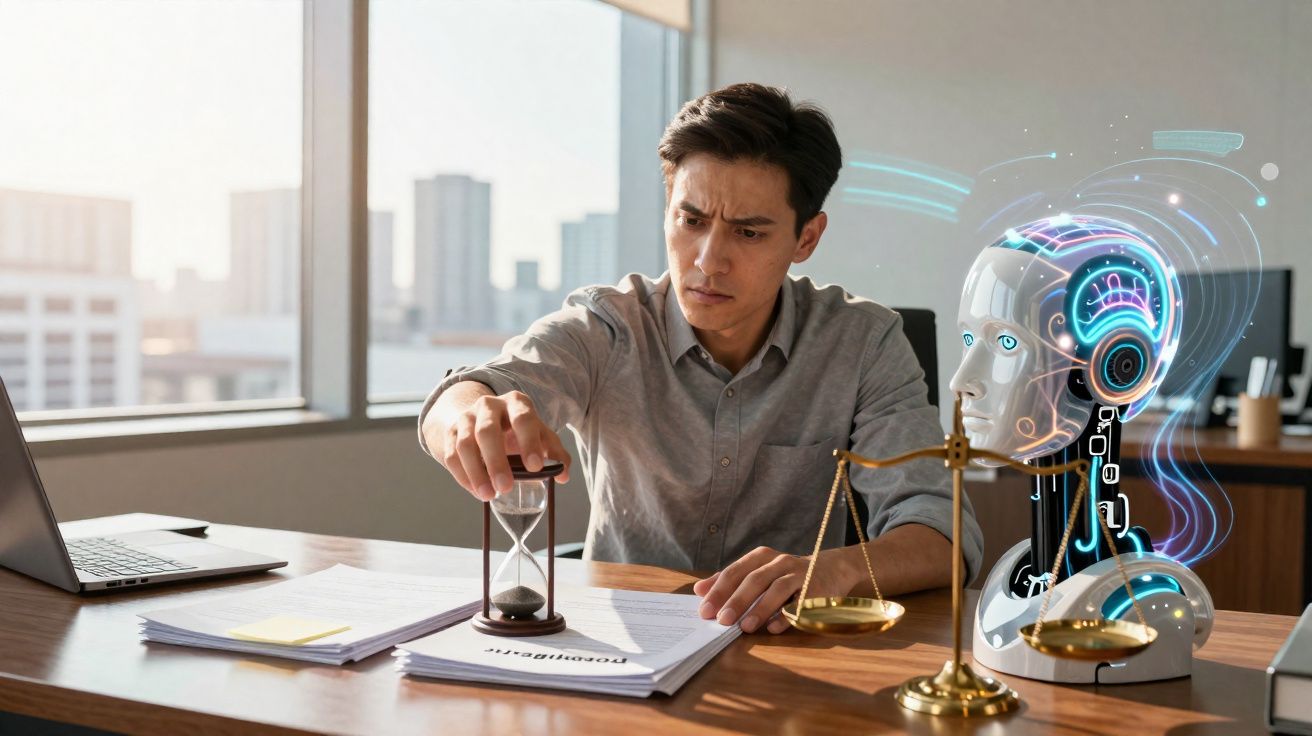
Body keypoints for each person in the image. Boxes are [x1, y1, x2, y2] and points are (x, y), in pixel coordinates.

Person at [419, 82, 982, 635]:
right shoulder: (610, 325)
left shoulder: (864, 342)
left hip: (792, 649)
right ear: (668, 213)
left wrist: (831, 569)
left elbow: (944, 536)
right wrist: (467, 414)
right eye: (691, 221)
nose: (709, 262)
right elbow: (468, 391)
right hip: (624, 648)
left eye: (749, 233)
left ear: (806, 238)